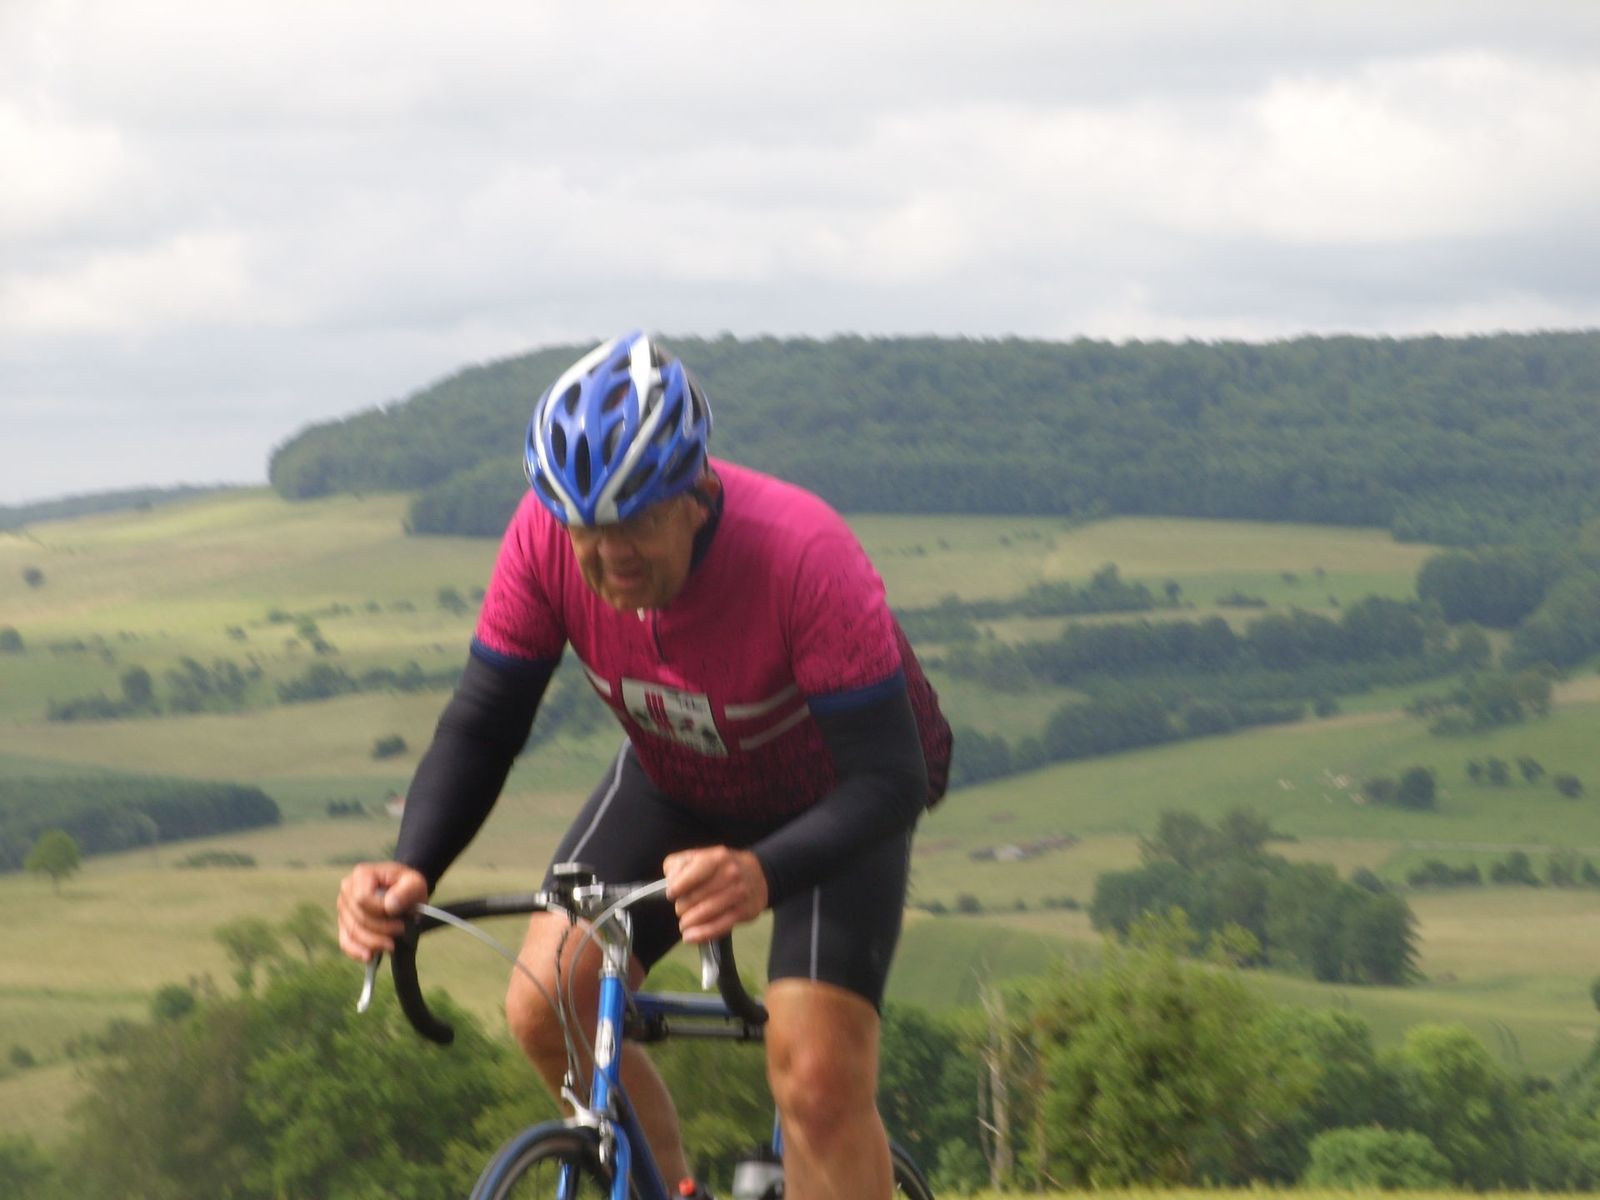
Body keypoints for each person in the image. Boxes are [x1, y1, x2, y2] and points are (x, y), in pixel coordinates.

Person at [336, 330, 951, 1200]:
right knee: (546, 1000)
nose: (611, 556)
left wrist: (762, 871)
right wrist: (413, 865)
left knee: (815, 1079)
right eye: (588, 530)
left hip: (836, 797)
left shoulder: (803, 553)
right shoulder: (542, 542)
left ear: (698, 494)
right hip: (683, 775)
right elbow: (484, 722)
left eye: (639, 523)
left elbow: (894, 779)